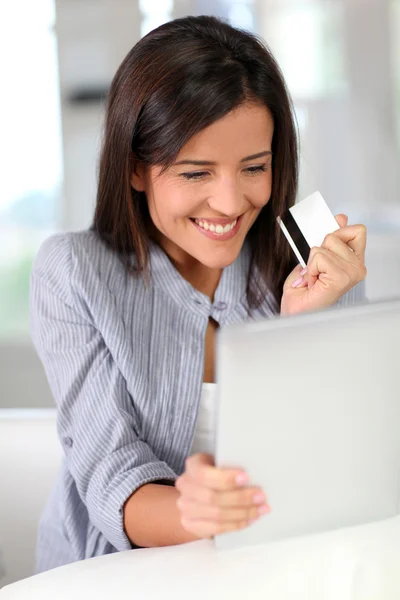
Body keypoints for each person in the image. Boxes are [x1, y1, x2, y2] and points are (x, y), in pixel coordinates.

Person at [30, 15, 366, 572]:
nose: (231, 203)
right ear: (137, 169)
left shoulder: (317, 256)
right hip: (110, 576)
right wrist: (197, 512)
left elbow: (342, 460)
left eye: (254, 167)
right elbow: (111, 477)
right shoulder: (73, 273)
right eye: (195, 174)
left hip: (275, 565)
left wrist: (299, 327)